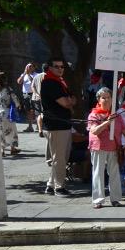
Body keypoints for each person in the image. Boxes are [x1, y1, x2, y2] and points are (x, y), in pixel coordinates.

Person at [86, 88, 125, 209]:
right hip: (98, 147)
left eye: (108, 97)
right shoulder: (94, 114)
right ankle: (98, 200)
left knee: (114, 173)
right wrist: (107, 122)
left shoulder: (116, 114)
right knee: (98, 173)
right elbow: (94, 130)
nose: (106, 100)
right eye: (103, 97)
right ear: (99, 100)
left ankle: (115, 199)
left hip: (114, 147)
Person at [40, 59, 76, 196]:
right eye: (56, 67)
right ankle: (59, 187)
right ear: (50, 68)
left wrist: (70, 101)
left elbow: (73, 99)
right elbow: (67, 102)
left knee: (60, 157)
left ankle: (50, 184)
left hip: (62, 124)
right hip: (56, 125)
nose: (60, 69)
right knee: (59, 158)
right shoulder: (50, 82)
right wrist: (70, 102)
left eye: (62, 67)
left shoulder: (60, 82)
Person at [0, 75, 21, 157]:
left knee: (1, 131)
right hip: (8, 113)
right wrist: (18, 105)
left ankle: (2, 150)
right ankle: (13, 149)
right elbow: (15, 99)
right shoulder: (8, 89)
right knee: (12, 130)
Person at [17, 63, 39, 132]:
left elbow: (33, 82)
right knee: (28, 110)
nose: (28, 68)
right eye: (27, 66)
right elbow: (19, 82)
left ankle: (38, 125)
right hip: (25, 94)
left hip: (33, 94)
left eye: (30, 66)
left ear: (34, 68)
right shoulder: (24, 74)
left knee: (34, 110)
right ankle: (30, 126)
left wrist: (29, 74)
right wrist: (24, 73)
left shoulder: (36, 75)